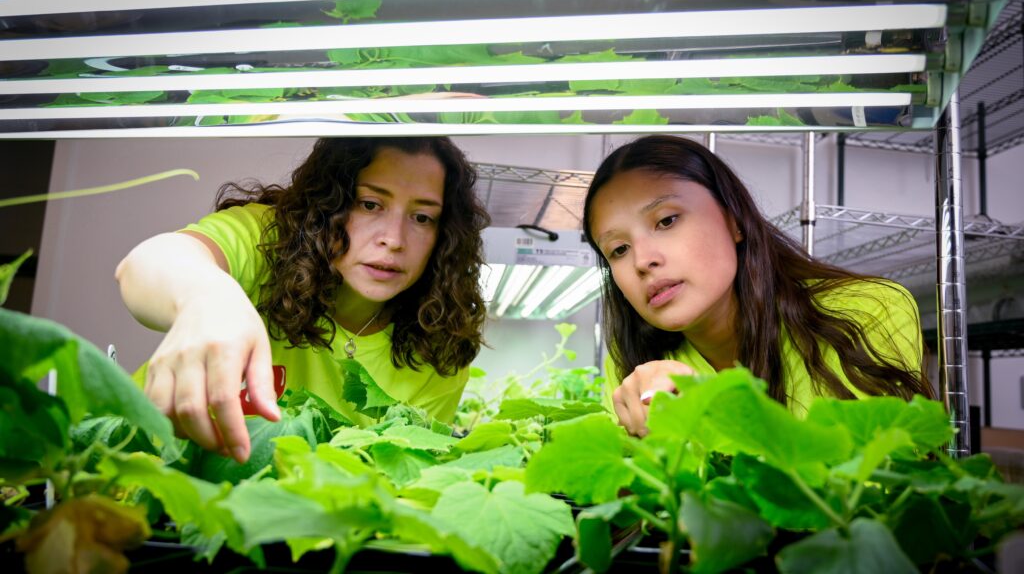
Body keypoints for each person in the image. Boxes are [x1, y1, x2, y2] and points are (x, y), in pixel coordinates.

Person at [116, 137, 490, 462]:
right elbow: (147, 264)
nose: (394, 238)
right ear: (329, 204)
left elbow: (396, 484)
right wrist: (206, 297)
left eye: (422, 217)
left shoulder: (439, 354)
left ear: (444, 237)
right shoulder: (268, 239)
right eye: (370, 204)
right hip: (128, 471)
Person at [582, 135, 934, 437]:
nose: (642, 261)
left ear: (734, 219)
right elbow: (634, 505)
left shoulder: (865, 312)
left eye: (667, 220)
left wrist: (707, 413)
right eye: (619, 250)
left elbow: (875, 497)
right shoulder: (637, 366)